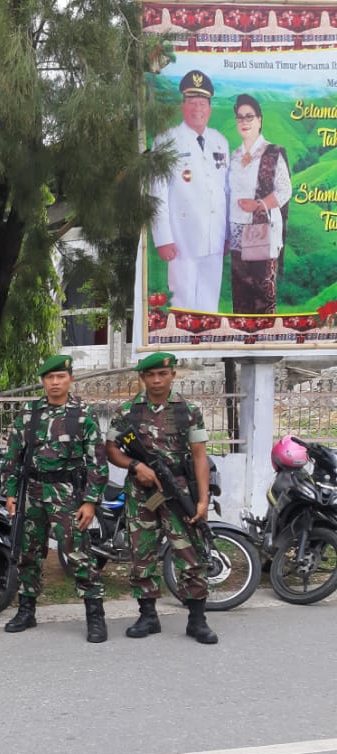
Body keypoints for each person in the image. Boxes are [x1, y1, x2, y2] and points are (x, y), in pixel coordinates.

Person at [105, 353, 218, 644]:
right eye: (151, 375)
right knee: (142, 555)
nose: (157, 380)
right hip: (141, 495)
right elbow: (112, 450)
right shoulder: (127, 411)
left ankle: (197, 620)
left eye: (162, 374)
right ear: (142, 378)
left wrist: (203, 500)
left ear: (173, 375)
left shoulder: (188, 410)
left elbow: (199, 456)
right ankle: (148, 616)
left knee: (190, 554)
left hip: (179, 493)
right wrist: (135, 466)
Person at [1, 355, 111, 643]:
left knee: (77, 552)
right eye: (49, 378)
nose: (54, 383)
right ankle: (27, 610)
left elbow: (97, 464)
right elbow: (13, 455)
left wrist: (89, 502)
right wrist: (10, 493)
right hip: (32, 492)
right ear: (43, 381)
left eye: (60, 377)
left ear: (70, 379)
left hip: (67, 495)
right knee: (28, 552)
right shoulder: (30, 413)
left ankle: (95, 615)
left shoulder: (83, 415)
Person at [150, 70, 230, 314]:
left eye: (203, 103)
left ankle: (209, 349)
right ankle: (182, 352)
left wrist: (227, 234)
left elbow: (225, 191)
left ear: (210, 109)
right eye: (192, 103)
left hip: (214, 238)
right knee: (182, 304)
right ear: (183, 106)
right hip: (182, 240)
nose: (198, 109)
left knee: (209, 305)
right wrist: (163, 238)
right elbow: (156, 193)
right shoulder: (166, 141)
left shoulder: (220, 141)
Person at [228, 93, 291, 315]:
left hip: (262, 233)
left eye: (249, 116)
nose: (244, 121)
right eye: (240, 117)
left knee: (262, 297)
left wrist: (258, 205)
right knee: (241, 297)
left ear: (260, 120)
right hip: (237, 234)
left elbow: (285, 190)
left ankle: (267, 347)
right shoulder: (234, 156)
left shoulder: (272, 153)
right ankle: (241, 348)